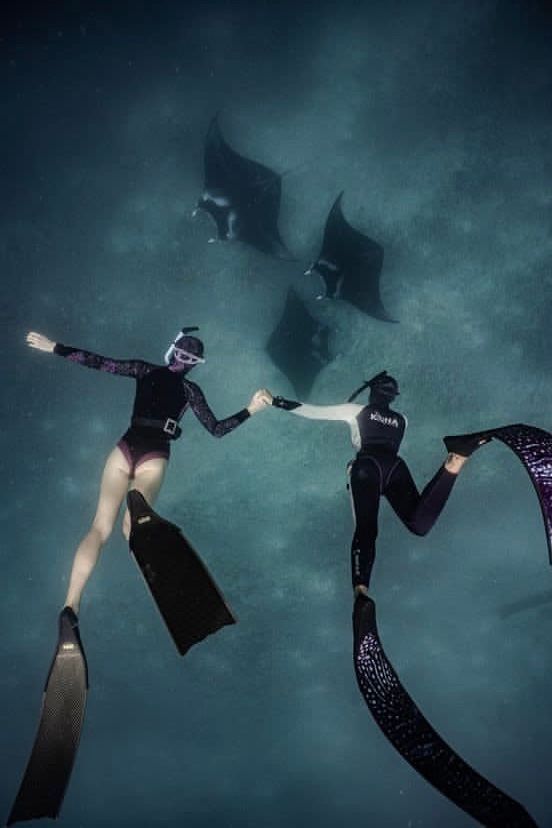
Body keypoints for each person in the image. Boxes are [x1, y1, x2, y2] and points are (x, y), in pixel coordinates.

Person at [26, 328, 270, 615]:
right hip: (153, 456)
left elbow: (99, 362)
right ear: (195, 363)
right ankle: (154, 555)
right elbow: (216, 430)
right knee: (133, 528)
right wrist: (252, 409)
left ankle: (71, 603)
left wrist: (54, 347)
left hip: (124, 448)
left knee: (99, 529)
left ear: (172, 350)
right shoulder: (191, 391)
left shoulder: (143, 369)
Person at [263, 371, 489, 596]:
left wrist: (275, 401)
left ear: (371, 391)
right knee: (420, 525)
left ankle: (361, 592)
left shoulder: (356, 410)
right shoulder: (403, 420)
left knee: (367, 528)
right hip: (395, 468)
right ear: (393, 397)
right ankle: (455, 460)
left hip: (367, 467)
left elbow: (313, 412)